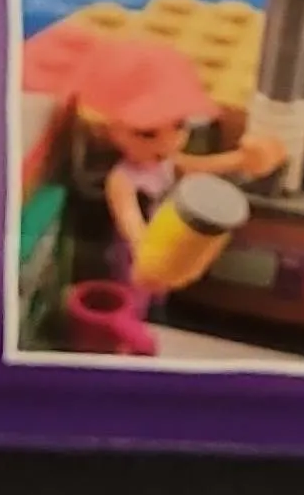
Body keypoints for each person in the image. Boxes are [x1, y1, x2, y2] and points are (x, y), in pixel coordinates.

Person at [66, 36, 285, 313]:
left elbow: (201, 166)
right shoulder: (122, 180)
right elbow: (130, 222)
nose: (168, 143)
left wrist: (243, 160)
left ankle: (153, 315)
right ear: (106, 129)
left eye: (180, 125)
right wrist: (145, 254)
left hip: (167, 246)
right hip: (136, 255)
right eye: (147, 133)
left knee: (159, 298)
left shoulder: (167, 162)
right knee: (134, 302)